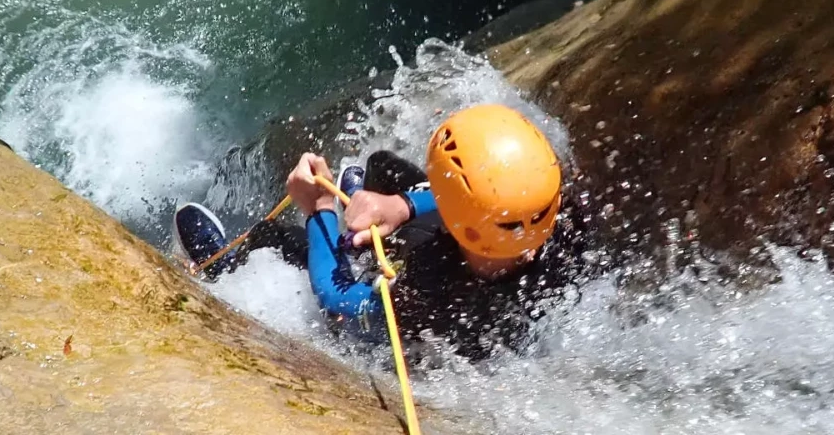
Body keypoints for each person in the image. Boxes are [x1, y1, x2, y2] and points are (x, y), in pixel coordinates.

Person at [173, 104, 592, 360]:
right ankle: (369, 213)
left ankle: (220, 265)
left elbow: (337, 301)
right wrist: (402, 206)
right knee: (383, 167)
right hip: (479, 269)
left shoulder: (428, 291)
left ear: (460, 220)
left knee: (277, 237)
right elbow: (492, 210)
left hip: (433, 306)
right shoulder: (561, 223)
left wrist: (319, 208)